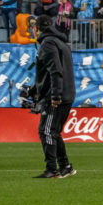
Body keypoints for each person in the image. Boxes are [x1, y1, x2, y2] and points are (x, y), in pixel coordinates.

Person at [32, 16, 76, 178]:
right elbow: (52, 71)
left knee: (46, 130)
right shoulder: (61, 42)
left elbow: (55, 70)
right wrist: (34, 90)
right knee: (54, 131)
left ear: (37, 28)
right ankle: (65, 166)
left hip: (56, 95)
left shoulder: (48, 43)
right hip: (67, 93)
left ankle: (52, 169)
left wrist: (55, 95)